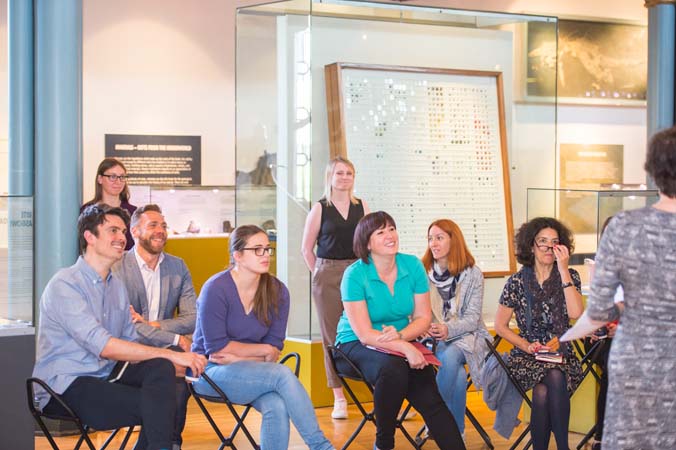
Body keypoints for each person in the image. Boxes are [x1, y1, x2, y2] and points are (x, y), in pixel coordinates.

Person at [32, 204, 207, 450]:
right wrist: (171, 352)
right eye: (113, 230)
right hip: (65, 384)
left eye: (123, 231)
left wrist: (178, 365)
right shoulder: (65, 284)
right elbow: (105, 346)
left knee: (161, 370)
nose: (121, 238)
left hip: (106, 375)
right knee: (158, 404)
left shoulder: (115, 286)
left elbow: (130, 343)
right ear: (89, 237)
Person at [191, 225, 335, 450]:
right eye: (257, 249)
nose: (266, 254)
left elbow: (274, 349)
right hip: (208, 373)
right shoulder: (215, 288)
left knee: (276, 404)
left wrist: (241, 356)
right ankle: (322, 446)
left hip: (254, 372)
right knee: (281, 374)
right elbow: (217, 349)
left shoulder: (278, 291)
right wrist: (262, 351)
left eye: (268, 249)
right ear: (237, 256)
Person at [335, 211, 465, 450]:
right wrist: (405, 347)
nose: (390, 235)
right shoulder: (354, 274)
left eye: (392, 229)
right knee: (394, 369)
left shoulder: (412, 265)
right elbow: (364, 333)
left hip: (398, 343)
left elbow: (422, 317)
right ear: (367, 243)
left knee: (429, 394)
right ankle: (383, 443)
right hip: (354, 344)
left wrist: (403, 338)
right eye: (381, 232)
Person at [584, 126, 676, 450]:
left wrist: (625, 309)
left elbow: (597, 309)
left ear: (652, 171)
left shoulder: (623, 226)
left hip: (635, 358)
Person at [494, 217, 584, 450]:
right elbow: (500, 326)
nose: (548, 247)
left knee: (545, 387)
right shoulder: (516, 282)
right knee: (552, 378)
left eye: (554, 242)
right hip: (527, 355)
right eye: (542, 241)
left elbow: (575, 313)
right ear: (531, 245)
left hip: (561, 352)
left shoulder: (570, 275)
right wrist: (526, 345)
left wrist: (563, 269)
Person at [113, 204, 198, 450]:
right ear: (135, 231)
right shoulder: (118, 267)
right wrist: (175, 339)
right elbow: (125, 325)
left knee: (179, 380)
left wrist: (154, 325)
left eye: (163, 226)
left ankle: (168, 444)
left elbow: (192, 317)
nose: (160, 231)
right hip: (129, 351)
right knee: (173, 374)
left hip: (167, 351)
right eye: (153, 225)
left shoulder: (178, 266)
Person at [301, 156, 369, 419]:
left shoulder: (362, 205)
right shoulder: (320, 208)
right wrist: (319, 273)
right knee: (331, 336)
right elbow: (306, 249)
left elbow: (367, 241)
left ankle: (379, 388)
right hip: (327, 273)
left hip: (357, 272)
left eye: (349, 173)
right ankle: (338, 395)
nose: (344, 177)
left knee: (366, 328)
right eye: (339, 173)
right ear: (330, 176)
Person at [421, 219, 491, 436]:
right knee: (458, 375)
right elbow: (414, 312)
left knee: (450, 357)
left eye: (439, 238)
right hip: (433, 339)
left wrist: (448, 329)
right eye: (430, 238)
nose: (433, 243)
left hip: (470, 337)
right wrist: (425, 327)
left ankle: (433, 418)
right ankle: (456, 432)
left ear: (454, 241)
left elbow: (472, 319)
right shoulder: (423, 272)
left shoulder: (473, 274)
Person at [82, 157, 137, 250]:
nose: (118, 182)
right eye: (112, 177)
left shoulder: (134, 212)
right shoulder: (87, 211)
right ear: (100, 179)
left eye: (122, 177)